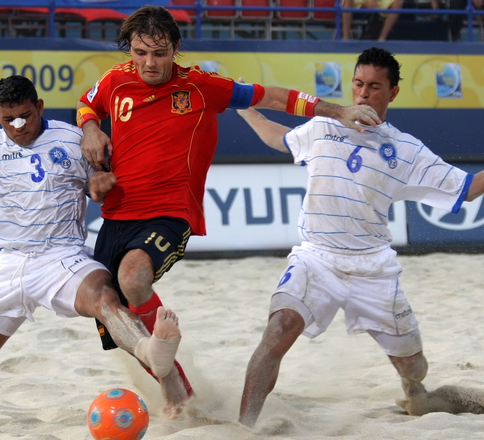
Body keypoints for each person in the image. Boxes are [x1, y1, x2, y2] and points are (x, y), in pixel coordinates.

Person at [75, 4, 381, 416]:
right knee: (120, 321)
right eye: (140, 52)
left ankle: (170, 380)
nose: (149, 63)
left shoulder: (201, 85)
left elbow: (275, 96)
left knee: (133, 278)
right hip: (117, 215)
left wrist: (340, 111)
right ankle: (176, 385)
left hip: (170, 211)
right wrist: (91, 128)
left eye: (159, 53)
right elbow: (86, 105)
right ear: (129, 49)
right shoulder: (115, 80)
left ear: (175, 50)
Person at [235, 47, 484, 427]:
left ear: (393, 93)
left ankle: (414, 391)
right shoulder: (323, 126)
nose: (363, 94)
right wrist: (246, 109)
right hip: (316, 257)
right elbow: (278, 137)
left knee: (414, 366)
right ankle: (243, 428)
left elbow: (469, 188)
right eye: (358, 84)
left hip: (373, 269)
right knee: (279, 328)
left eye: (374, 86)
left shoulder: (406, 150)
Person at [0, 75, 186, 427]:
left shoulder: (73, 139)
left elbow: (104, 182)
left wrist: (100, 184)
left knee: (105, 297)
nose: (19, 126)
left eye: (26, 116)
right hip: (10, 262)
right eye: (9, 119)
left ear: (40, 107)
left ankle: (153, 355)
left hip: (62, 255)